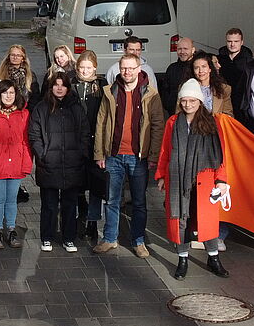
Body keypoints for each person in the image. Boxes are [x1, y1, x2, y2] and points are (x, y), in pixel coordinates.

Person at [155, 79, 230, 279]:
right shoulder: (173, 122)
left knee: (207, 221)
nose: (187, 105)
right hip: (178, 178)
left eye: (192, 101)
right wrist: (161, 175)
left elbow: (220, 154)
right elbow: (165, 151)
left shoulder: (211, 123)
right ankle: (182, 259)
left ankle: (213, 258)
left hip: (204, 180)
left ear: (199, 101)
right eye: (184, 101)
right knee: (181, 219)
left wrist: (221, 180)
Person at [93, 54, 164, 258]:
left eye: (131, 68)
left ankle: (138, 241)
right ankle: (109, 238)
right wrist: (99, 152)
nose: (127, 72)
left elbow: (157, 126)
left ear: (139, 68)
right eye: (124, 68)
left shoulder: (151, 94)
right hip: (114, 155)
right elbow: (101, 123)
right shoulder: (110, 91)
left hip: (138, 157)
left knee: (139, 202)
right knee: (112, 200)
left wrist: (153, 155)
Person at [30, 72, 88, 252]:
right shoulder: (41, 108)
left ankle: (68, 238)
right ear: (51, 87)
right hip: (49, 164)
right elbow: (34, 135)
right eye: (56, 85)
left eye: (63, 85)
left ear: (68, 88)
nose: (59, 88)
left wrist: (81, 154)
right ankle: (47, 237)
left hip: (72, 163)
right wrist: (42, 155)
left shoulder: (76, 108)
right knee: (49, 204)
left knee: (70, 204)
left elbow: (85, 133)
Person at [0, 80, 31, 250]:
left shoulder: (24, 114)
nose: (8, 96)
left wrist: (26, 164)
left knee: (12, 200)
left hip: (16, 164)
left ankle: (11, 229)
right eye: (5, 93)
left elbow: (26, 142)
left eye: (11, 93)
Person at [72, 50, 108, 244]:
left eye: (88, 68)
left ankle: (93, 222)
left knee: (95, 184)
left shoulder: (102, 86)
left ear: (95, 67)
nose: (85, 71)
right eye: (81, 68)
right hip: (76, 142)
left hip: (95, 141)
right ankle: (81, 211)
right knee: (77, 182)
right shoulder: (71, 85)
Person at [158, 37, 199, 114]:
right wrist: (168, 105)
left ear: (193, 50)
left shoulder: (197, 67)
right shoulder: (172, 68)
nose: (182, 52)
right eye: (179, 49)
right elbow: (165, 90)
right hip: (174, 113)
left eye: (185, 49)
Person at [215, 28, 252, 113]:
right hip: (222, 101)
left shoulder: (249, 62)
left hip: (241, 105)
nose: (232, 44)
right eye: (229, 41)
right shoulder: (218, 59)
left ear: (242, 42)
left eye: (236, 41)